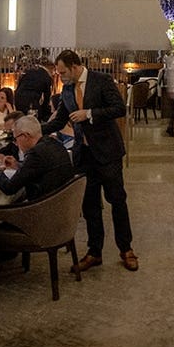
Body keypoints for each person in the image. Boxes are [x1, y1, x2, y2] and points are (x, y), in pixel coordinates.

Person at [41, 50, 138, 273]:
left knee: (117, 200)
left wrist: (89, 113)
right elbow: (60, 120)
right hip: (84, 154)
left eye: (63, 72)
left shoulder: (101, 80)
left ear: (75, 67)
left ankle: (126, 249)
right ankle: (95, 252)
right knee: (90, 205)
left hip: (107, 152)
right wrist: (35, 130)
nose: (60, 77)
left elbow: (118, 108)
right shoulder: (67, 90)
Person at [0, 115, 75, 201]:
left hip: (44, 205)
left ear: (25, 136)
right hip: (67, 201)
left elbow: (9, 188)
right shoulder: (55, 143)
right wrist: (18, 165)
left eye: (15, 139)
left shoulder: (35, 153)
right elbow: (38, 169)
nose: (16, 143)